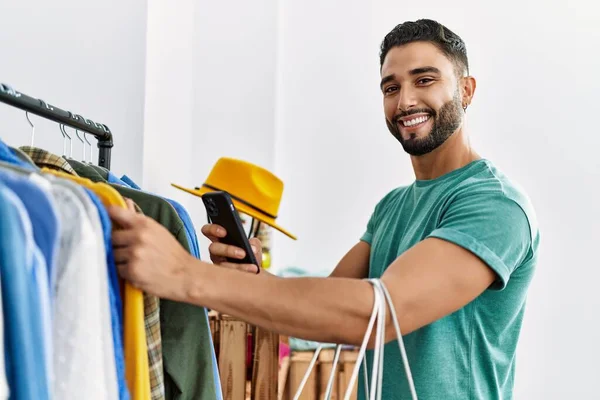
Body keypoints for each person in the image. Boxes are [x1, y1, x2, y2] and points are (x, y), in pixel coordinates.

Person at [108, 19, 540, 399]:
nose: (405, 100)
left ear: (466, 90)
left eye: (424, 80)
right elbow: (324, 308)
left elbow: (377, 314)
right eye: (391, 87)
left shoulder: (495, 204)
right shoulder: (393, 206)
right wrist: (252, 278)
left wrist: (186, 275)